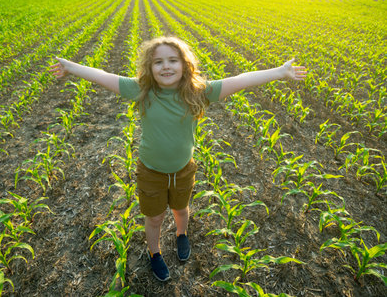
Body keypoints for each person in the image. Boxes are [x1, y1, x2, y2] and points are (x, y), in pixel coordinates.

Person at [49, 36, 307, 282]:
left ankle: (182, 234)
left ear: (185, 65)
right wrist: (70, 67)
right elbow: (103, 76)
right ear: (150, 68)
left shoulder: (199, 92)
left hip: (184, 169)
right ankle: (155, 253)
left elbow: (241, 79)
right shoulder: (142, 91)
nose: (166, 66)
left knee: (181, 210)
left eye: (173, 60)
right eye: (158, 62)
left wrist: (279, 72)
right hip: (151, 171)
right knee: (154, 218)